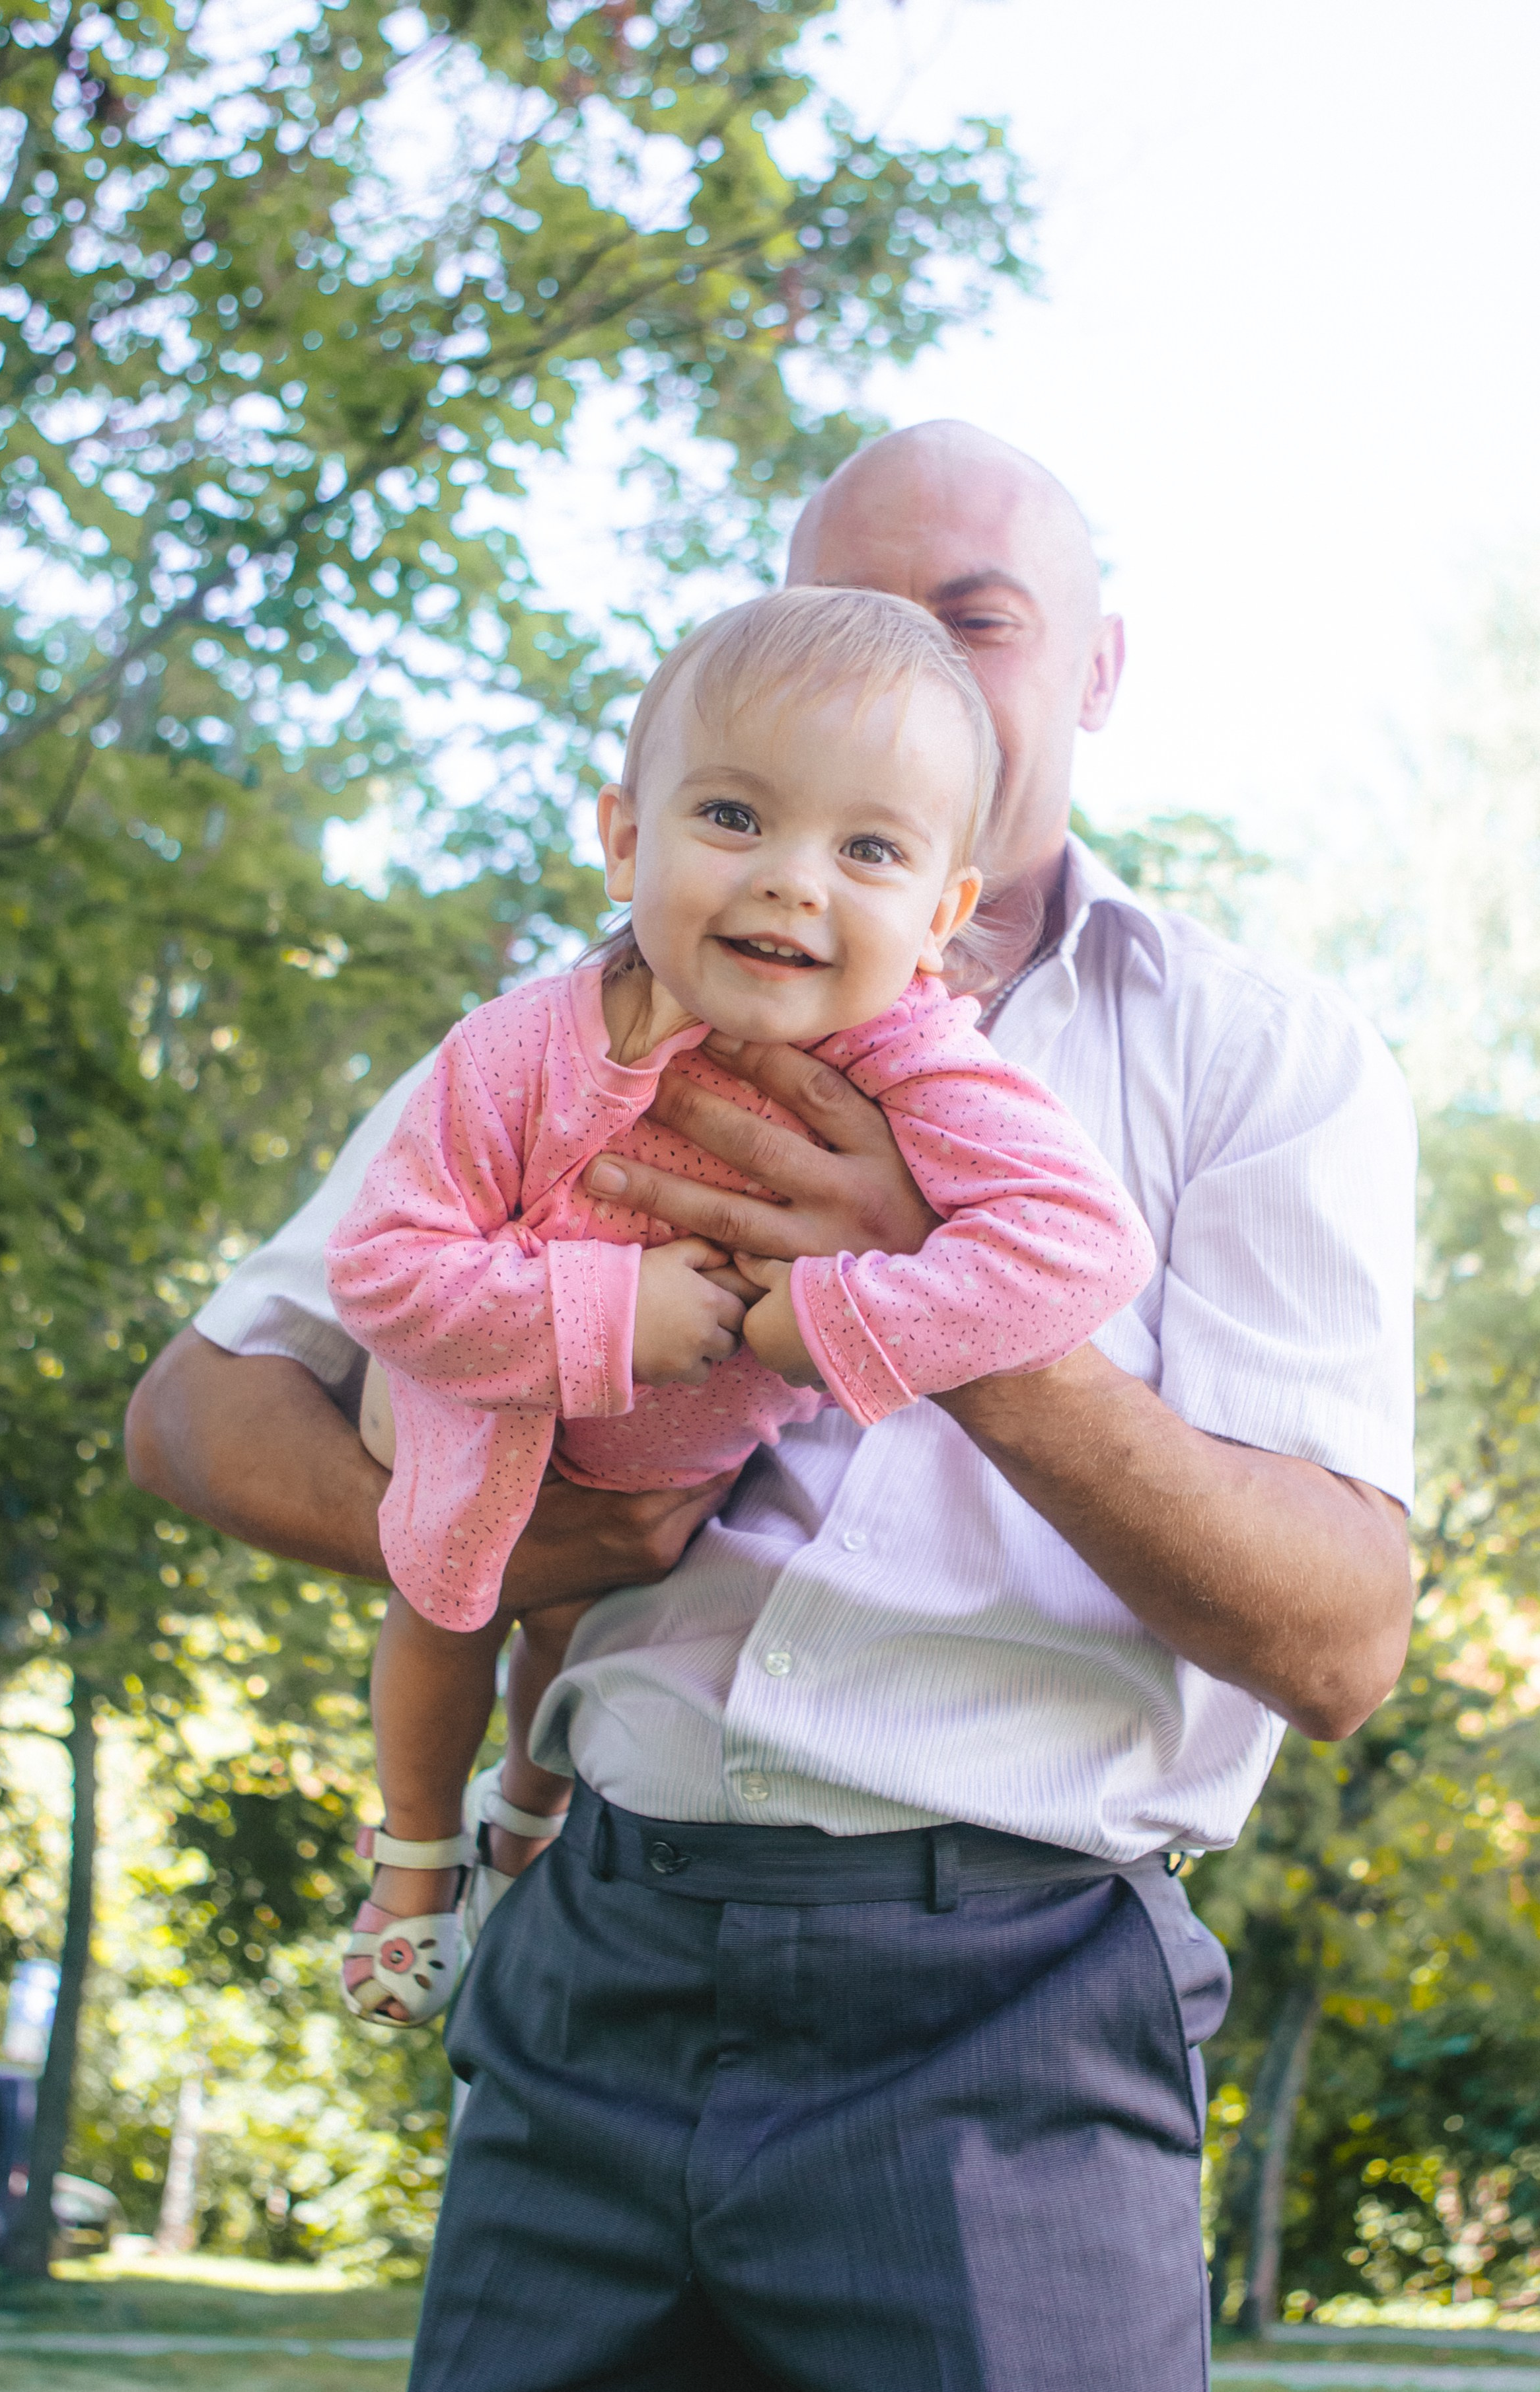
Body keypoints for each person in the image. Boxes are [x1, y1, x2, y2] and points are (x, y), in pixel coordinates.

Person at [126, 421, 1417, 2391]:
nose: (902, 660)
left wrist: (923, 1291)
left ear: (1092, 666)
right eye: (847, 608)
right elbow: (196, 1416)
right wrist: (521, 1526)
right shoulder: (580, 1015)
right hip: (595, 1957)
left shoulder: (1255, 1058)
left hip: (1008, 2001)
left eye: (972, 617)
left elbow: (1335, 1641)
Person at [323, 585, 1152, 2027]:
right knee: (451, 1596)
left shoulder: (914, 1059)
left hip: (670, 1475)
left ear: (941, 912)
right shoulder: (522, 1044)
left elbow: (1079, 1245)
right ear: (626, 840)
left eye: (869, 848)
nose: (793, 880)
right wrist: (601, 1311)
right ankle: (410, 1865)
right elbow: (383, 1265)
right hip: (477, 1410)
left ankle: (525, 1815)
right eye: (732, 819)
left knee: (575, 1631)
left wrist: (831, 1320)